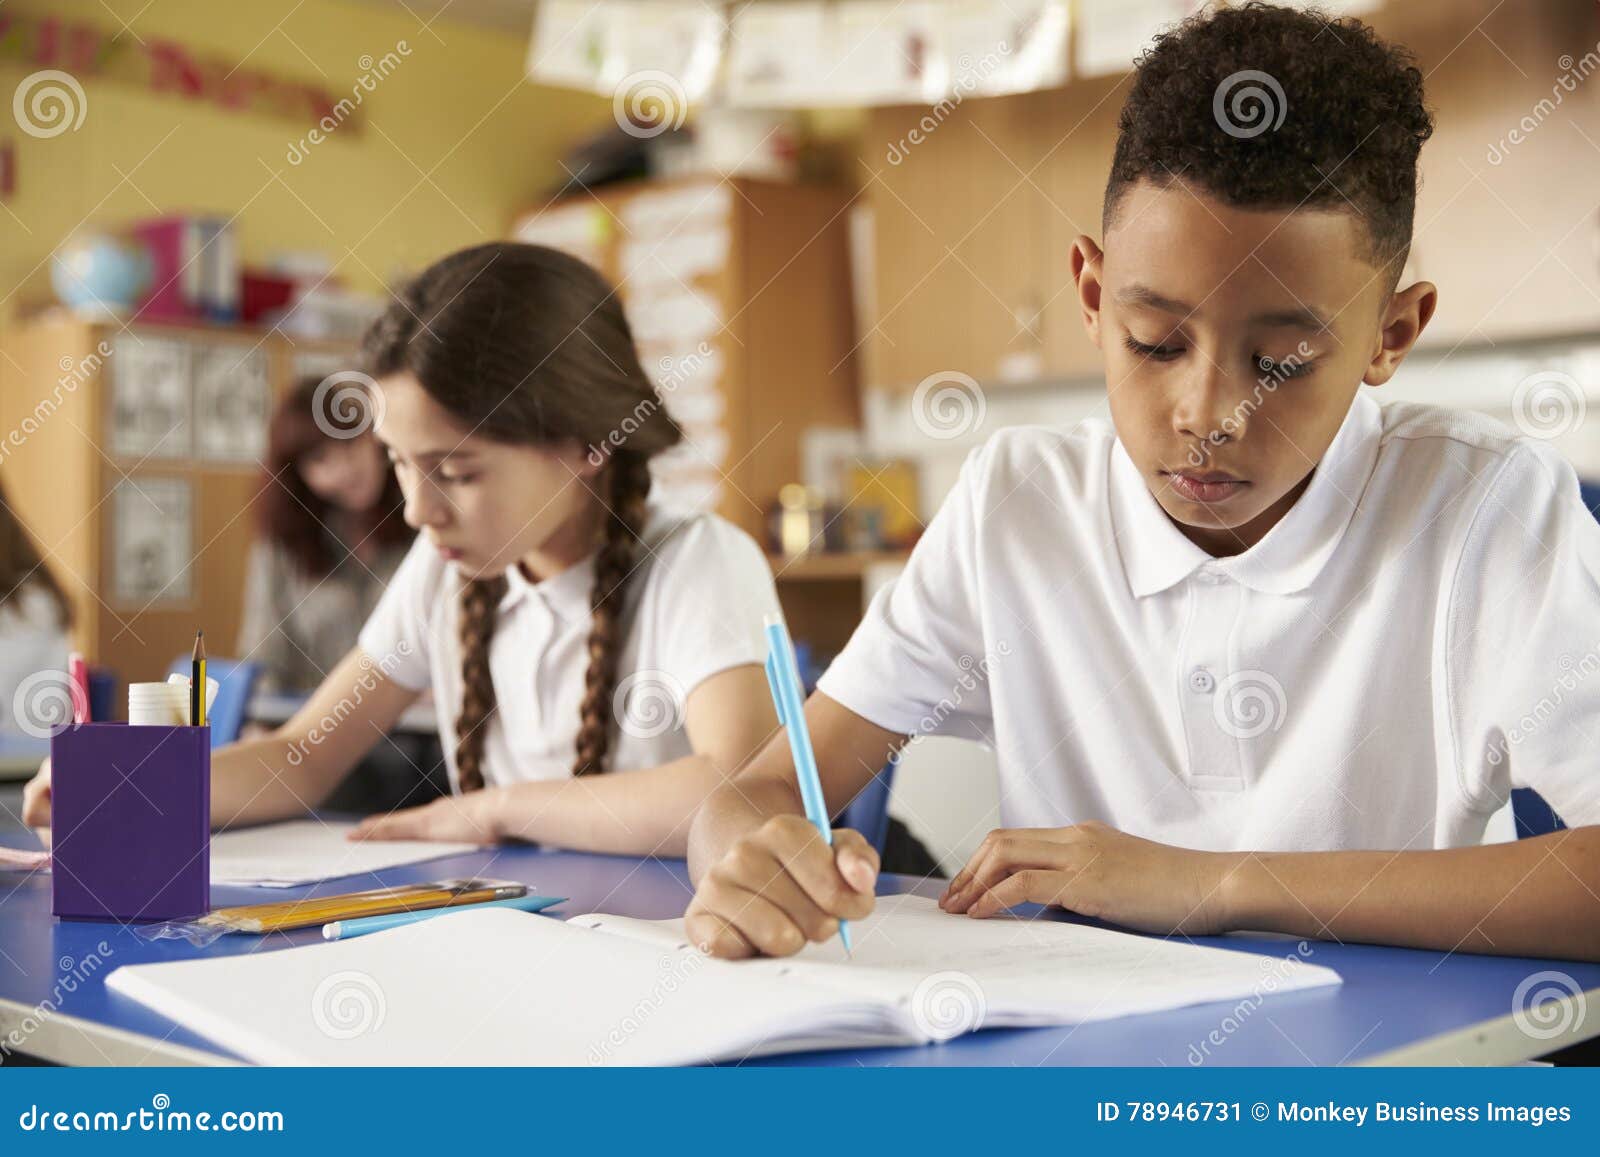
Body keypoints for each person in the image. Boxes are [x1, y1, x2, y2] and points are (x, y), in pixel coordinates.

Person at [683, 3, 1600, 962]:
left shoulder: (1489, 509)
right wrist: (742, 854)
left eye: (1282, 361)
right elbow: (762, 790)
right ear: (1090, 292)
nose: (1208, 414)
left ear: (1390, 336)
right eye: (1155, 341)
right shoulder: (1018, 505)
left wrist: (1213, 882)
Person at [26, 243, 780, 857]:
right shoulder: (444, 573)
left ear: (586, 441)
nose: (419, 509)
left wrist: (492, 810)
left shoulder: (698, 561)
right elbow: (303, 755)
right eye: (397, 461)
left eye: (456, 471)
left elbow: (737, 787)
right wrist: (133, 786)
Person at [237, 375, 414, 695]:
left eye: (349, 443)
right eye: (320, 459)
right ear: (298, 474)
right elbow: (262, 658)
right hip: (312, 731)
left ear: (376, 436)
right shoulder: (282, 545)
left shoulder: (426, 523)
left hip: (421, 733)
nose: (344, 469)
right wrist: (262, 726)